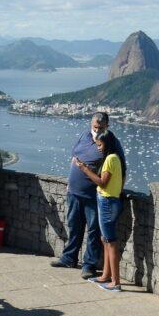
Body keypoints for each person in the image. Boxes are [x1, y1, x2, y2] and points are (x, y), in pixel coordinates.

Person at [51, 112, 126, 279]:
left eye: (100, 128)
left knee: (93, 230)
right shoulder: (84, 136)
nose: (96, 130)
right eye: (94, 127)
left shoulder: (111, 142)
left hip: (94, 195)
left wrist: (116, 193)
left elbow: (121, 169)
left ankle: (89, 265)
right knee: (74, 226)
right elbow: (74, 156)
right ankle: (69, 257)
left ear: (107, 126)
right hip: (74, 192)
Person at [72, 131, 126, 291]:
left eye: (100, 145)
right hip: (111, 200)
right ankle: (106, 276)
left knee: (110, 242)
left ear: (108, 144)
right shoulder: (116, 158)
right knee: (105, 240)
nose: (99, 148)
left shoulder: (110, 159)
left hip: (107, 201)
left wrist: (84, 169)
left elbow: (102, 182)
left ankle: (115, 283)